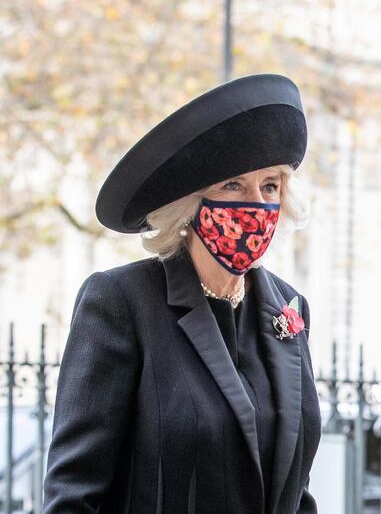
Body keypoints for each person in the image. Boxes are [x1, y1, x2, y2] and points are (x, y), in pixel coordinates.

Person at [43, 74, 321, 514]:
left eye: (269, 186)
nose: (257, 205)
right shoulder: (121, 303)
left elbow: (295, 490)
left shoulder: (287, 308)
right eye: (233, 185)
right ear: (189, 205)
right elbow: (74, 496)